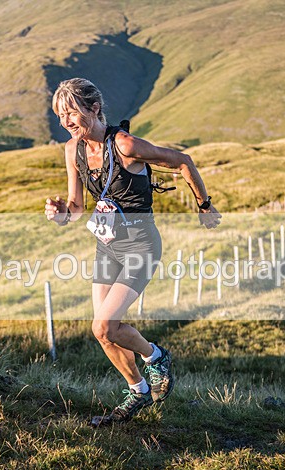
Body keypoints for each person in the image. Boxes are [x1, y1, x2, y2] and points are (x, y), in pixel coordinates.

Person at [44, 78, 221, 427]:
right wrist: (62, 212)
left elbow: (182, 160)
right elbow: (78, 206)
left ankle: (156, 357)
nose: (67, 122)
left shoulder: (124, 145)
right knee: (102, 333)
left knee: (105, 323)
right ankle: (137, 389)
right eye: (61, 116)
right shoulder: (73, 150)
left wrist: (204, 205)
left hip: (141, 245)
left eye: (73, 113)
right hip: (107, 246)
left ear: (94, 109)